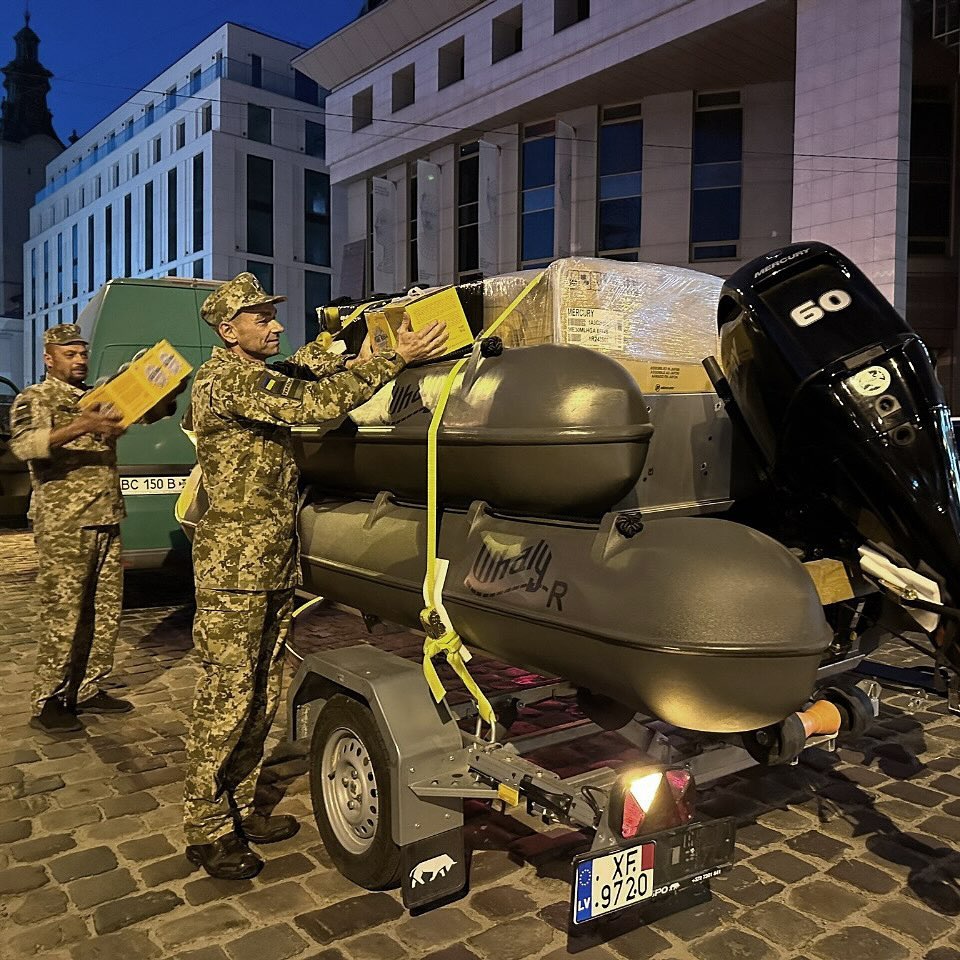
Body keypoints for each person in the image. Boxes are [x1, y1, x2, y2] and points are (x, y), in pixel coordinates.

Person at [183, 273, 448, 880]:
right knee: (225, 699)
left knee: (261, 696)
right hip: (234, 570)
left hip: (270, 561)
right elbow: (312, 403)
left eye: (274, 316)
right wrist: (390, 358)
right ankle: (204, 827)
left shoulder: (256, 372)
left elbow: (302, 371)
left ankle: (241, 807)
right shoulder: (226, 378)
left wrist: (344, 337)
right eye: (262, 319)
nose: (276, 325)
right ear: (229, 331)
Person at [9, 324, 133, 733]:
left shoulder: (96, 398)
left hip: (105, 515)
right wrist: (82, 425)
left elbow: (144, 414)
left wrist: (159, 388)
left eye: (82, 354)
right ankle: (49, 699)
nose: (79, 360)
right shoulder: (35, 398)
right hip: (65, 523)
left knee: (104, 612)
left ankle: (89, 688)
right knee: (63, 614)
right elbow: (24, 446)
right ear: (50, 358)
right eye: (70, 354)